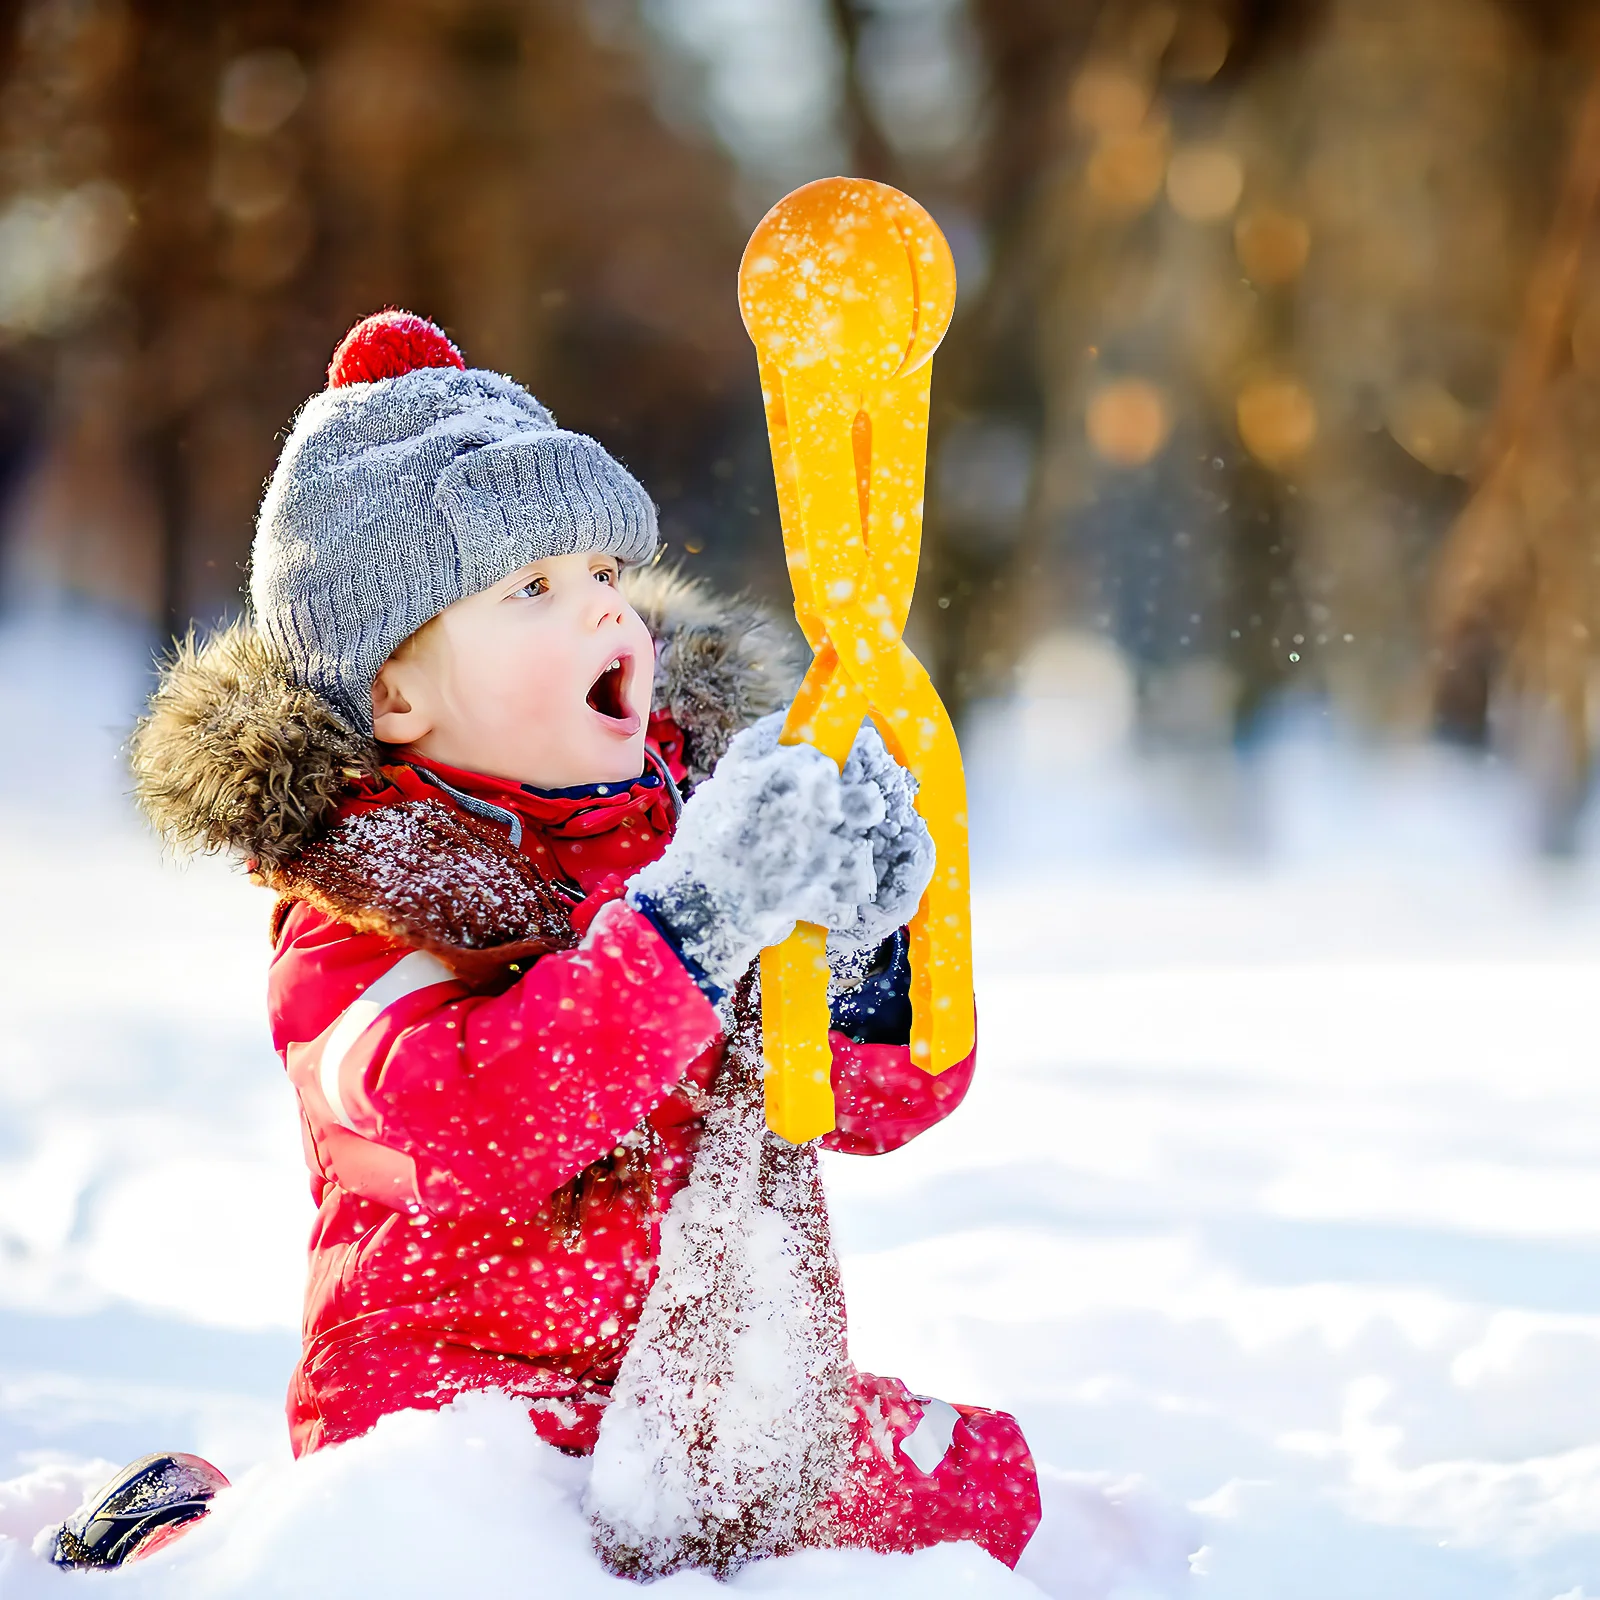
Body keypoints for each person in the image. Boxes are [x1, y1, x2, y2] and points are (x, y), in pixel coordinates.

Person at [51, 312, 1040, 1573]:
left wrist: (860, 951)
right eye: (532, 590)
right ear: (396, 692)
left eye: (606, 578)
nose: (605, 621)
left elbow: (872, 1103)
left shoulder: (694, 832)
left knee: (986, 1491)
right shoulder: (353, 920)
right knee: (438, 1567)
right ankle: (191, 1530)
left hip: (701, 1397)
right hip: (465, 1418)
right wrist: (700, 922)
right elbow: (480, 1120)